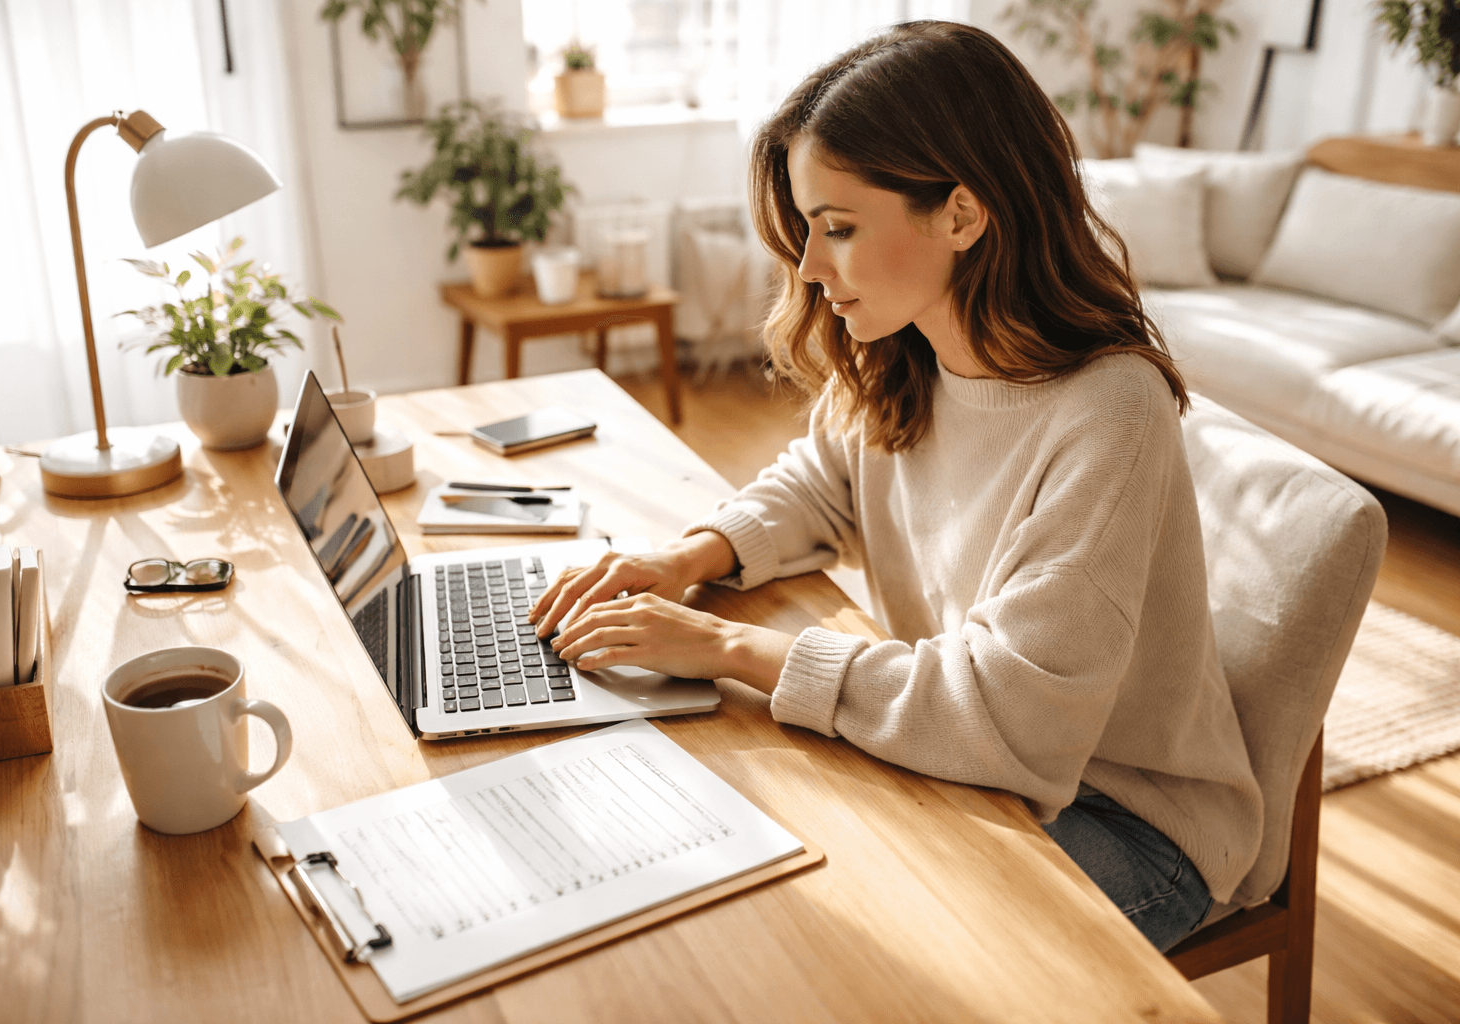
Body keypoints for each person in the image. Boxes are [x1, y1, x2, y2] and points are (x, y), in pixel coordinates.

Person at [529, 21, 1262, 952]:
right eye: (806, 229)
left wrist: (722, 644)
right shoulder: (909, 347)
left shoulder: (1109, 409)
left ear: (962, 213)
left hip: (1120, 818)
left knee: (821, 942)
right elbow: (825, 481)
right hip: (979, 762)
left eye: (838, 228)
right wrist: (685, 560)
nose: (808, 268)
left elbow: (1009, 713)